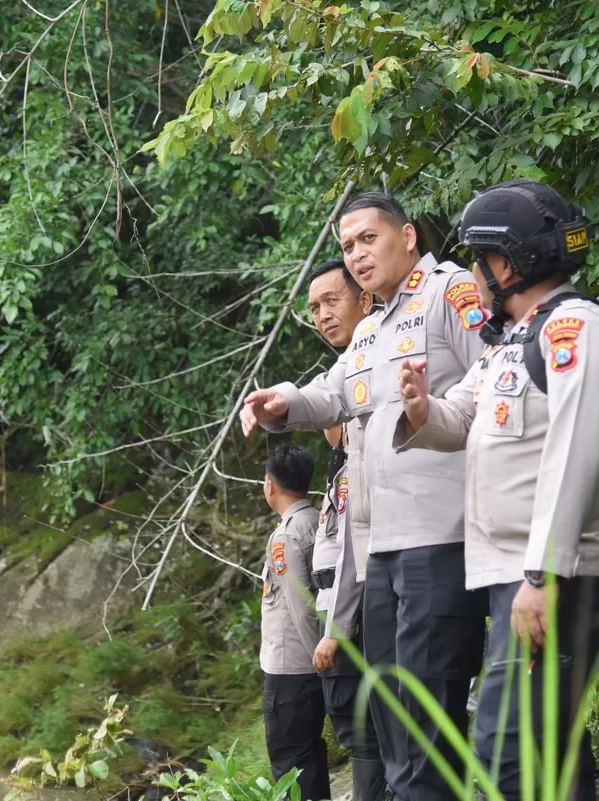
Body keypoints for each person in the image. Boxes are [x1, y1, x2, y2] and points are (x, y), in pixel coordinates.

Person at [394, 180, 599, 801]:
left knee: (506, 749)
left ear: (505, 263)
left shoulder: (574, 331)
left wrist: (542, 576)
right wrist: (422, 407)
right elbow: (463, 419)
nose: (476, 275)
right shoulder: (515, 340)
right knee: (550, 743)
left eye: (480, 261)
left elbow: (574, 456)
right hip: (527, 571)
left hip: (566, 570)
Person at [240, 192, 489, 801]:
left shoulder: (450, 293)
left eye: (367, 239)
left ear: (407, 237)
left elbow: (495, 378)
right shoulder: (372, 326)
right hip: (381, 550)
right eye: (347, 246)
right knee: (390, 722)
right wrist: (283, 403)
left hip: (444, 537)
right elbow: (331, 394)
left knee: (428, 715)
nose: (356, 255)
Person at [304, 259, 388, 801]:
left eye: (331, 300)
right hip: (346, 610)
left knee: (373, 733)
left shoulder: (385, 377)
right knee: (360, 731)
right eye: (313, 308)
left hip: (370, 604)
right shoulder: (339, 465)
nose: (321, 315)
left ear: (366, 300)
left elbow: (358, 546)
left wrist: (336, 629)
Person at [260, 444, 331, 801]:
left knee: (290, 764)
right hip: (310, 663)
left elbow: (302, 604)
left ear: (270, 485)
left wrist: (318, 664)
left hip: (292, 670)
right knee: (310, 757)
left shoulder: (286, 535)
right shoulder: (318, 518)